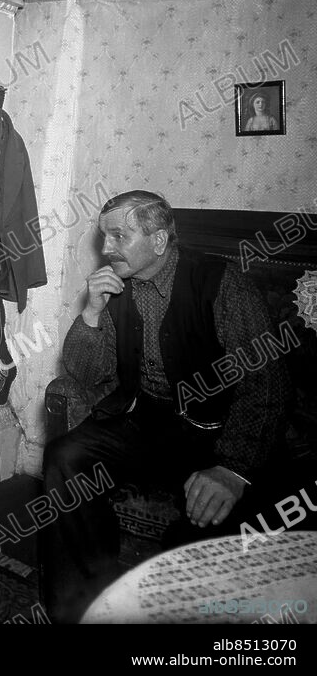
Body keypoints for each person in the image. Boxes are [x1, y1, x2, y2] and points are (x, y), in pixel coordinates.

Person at [40, 190, 292, 623]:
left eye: (119, 235)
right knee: (66, 456)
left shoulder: (220, 282)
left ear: (158, 240)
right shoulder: (114, 286)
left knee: (200, 536)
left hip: (217, 434)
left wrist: (232, 469)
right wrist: (92, 315)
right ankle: (79, 607)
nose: (106, 248)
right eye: (104, 237)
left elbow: (266, 382)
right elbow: (85, 373)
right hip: (146, 422)